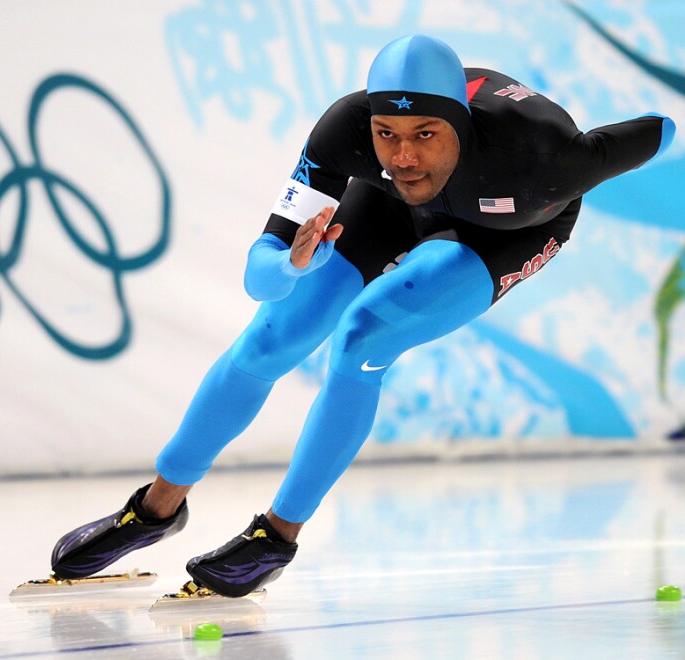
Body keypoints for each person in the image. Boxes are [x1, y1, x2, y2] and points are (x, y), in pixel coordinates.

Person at [50, 35, 676, 597]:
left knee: (361, 338)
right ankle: (155, 511)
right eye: (388, 134)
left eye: (426, 134)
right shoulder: (345, 130)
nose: (404, 156)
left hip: (504, 231)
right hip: (386, 207)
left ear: (460, 126)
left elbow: (660, 129)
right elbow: (258, 275)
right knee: (272, 337)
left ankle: (276, 537)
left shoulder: (545, 160)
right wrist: (293, 263)